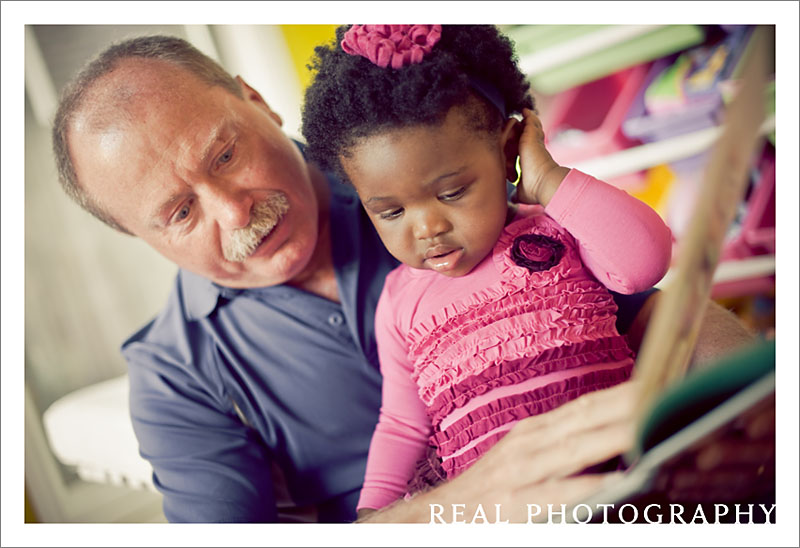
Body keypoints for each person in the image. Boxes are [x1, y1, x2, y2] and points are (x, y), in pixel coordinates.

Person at [51, 32, 759, 524]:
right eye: (179, 212)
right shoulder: (175, 376)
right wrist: (464, 504)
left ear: (256, 100)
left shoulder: (417, 164)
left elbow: (655, 304)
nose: (234, 209)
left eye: (226, 154)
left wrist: (746, 435)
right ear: (139, 238)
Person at [300, 24, 675, 515]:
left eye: (452, 192)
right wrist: (377, 513)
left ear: (505, 151)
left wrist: (547, 179)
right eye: (391, 212)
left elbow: (645, 263)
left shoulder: (560, 228)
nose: (428, 226)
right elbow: (402, 424)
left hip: (626, 485)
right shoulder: (397, 302)